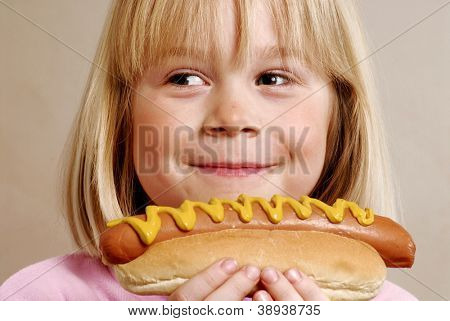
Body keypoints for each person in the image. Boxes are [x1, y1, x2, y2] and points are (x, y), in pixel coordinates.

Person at [0, 0, 418, 301]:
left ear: (340, 117)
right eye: (184, 78)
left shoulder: (393, 309)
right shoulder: (44, 298)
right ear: (121, 115)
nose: (233, 117)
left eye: (274, 79)